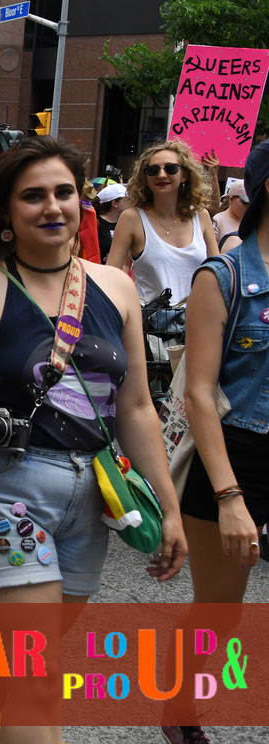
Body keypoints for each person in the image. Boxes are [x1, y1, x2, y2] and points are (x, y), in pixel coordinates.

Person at [0, 136, 186, 744]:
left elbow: (136, 407)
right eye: (32, 196)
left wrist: (167, 506)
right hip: (2, 491)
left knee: (18, 659)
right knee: (37, 676)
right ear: (5, 213)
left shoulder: (114, 288)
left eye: (64, 192)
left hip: (96, 495)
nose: (52, 207)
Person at [169, 140, 269, 744]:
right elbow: (199, 393)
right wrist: (231, 496)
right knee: (221, 610)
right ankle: (180, 705)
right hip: (234, 456)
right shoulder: (224, 276)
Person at [105, 140, 219, 304]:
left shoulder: (201, 216)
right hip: (149, 325)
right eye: (153, 170)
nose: (162, 175)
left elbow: (218, 275)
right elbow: (111, 276)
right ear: (145, 178)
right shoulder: (132, 218)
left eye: (171, 168)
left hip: (198, 322)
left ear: (184, 175)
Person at [95, 181, 127, 264]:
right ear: (115, 203)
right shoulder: (96, 223)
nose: (130, 202)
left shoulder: (125, 223)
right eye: (126, 199)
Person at [212, 178, 247, 250]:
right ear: (231, 199)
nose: (247, 207)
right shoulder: (218, 220)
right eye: (244, 203)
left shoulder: (252, 221)